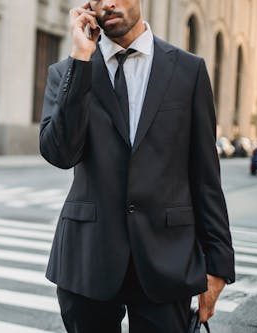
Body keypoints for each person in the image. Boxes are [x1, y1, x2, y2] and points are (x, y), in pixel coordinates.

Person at [39, 1, 235, 332]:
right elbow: (60, 153)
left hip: (167, 258)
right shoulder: (69, 71)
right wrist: (81, 56)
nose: (109, 3)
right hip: (88, 259)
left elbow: (205, 176)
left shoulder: (188, 71)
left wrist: (217, 264)